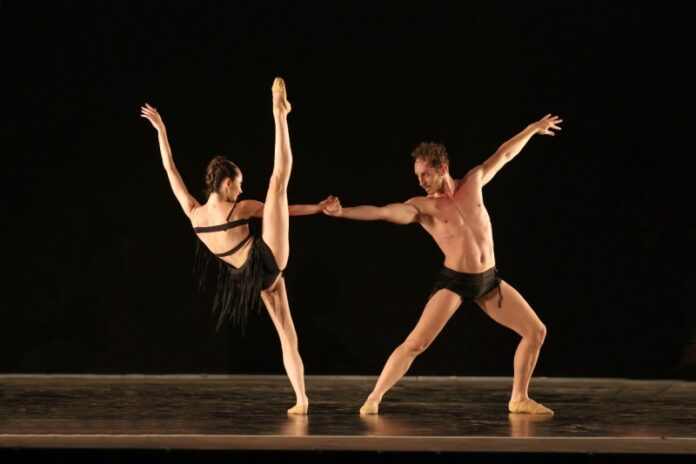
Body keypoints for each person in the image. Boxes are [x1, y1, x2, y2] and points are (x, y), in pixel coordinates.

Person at [323, 114, 563, 415]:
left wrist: (531, 129)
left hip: (489, 281)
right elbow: (384, 212)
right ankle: (374, 398)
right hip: (455, 282)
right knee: (416, 343)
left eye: (425, 174)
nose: (420, 181)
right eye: (418, 176)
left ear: (443, 169)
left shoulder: (474, 182)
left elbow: (504, 154)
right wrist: (342, 212)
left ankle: (518, 398)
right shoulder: (423, 207)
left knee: (536, 331)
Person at [141, 78, 322, 415]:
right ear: (226, 184)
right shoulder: (237, 209)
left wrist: (161, 130)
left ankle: (302, 400)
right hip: (267, 260)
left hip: (252, 279)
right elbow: (282, 209)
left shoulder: (194, 215)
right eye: (238, 184)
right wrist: (318, 209)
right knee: (277, 185)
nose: (241, 190)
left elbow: (170, 169)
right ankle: (279, 115)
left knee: (286, 334)